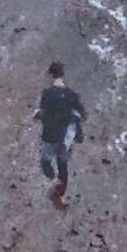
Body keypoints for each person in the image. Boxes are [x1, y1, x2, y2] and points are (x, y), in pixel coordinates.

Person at [36, 61, 86, 208]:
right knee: (62, 165)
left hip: (49, 135)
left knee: (45, 162)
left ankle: (54, 181)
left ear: (50, 75)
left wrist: (37, 116)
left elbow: (43, 113)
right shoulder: (72, 95)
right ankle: (59, 193)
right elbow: (83, 114)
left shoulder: (47, 94)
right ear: (63, 75)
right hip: (65, 138)